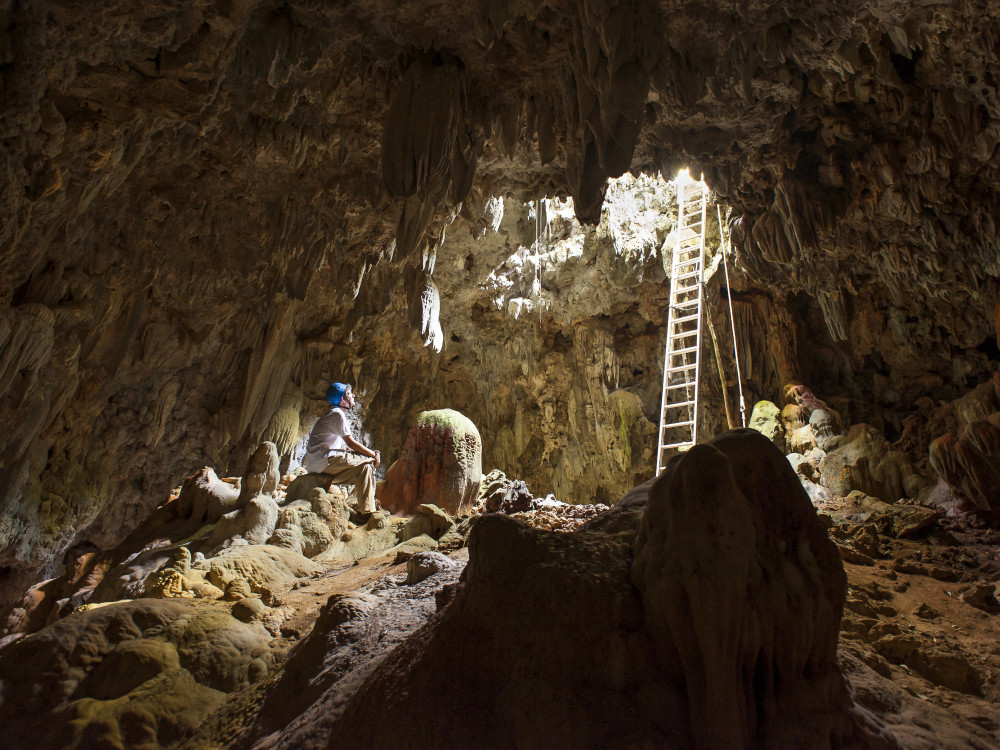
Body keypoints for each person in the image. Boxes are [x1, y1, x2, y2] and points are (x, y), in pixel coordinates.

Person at [302, 382, 380, 513]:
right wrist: (373, 454)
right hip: (323, 461)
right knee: (369, 459)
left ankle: (367, 512)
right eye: (349, 394)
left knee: (365, 468)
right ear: (342, 400)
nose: (353, 395)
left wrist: (371, 454)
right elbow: (351, 443)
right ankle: (366, 510)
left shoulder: (334, 415)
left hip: (322, 464)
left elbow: (347, 448)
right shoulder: (337, 414)